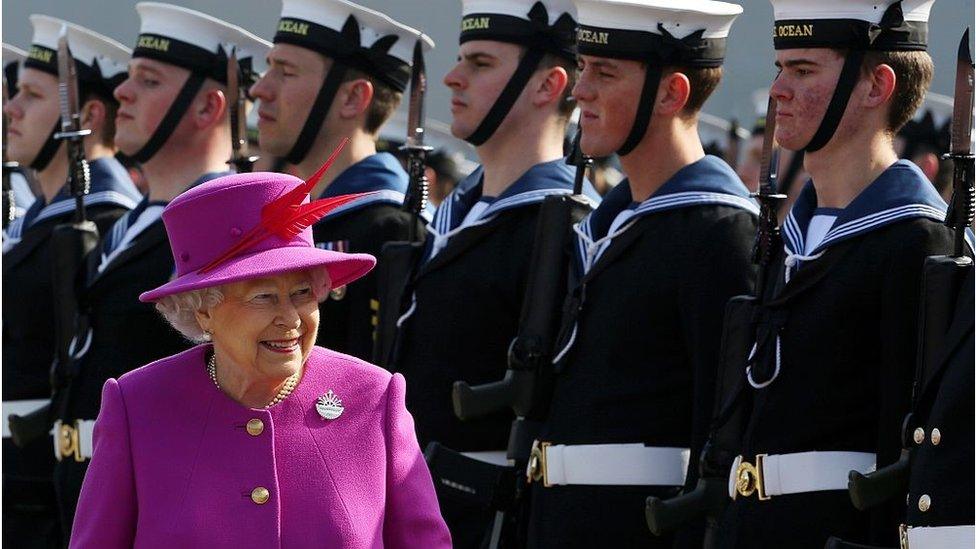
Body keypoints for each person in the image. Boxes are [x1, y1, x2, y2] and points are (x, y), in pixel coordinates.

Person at [69, 170, 452, 548]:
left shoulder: (373, 399)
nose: (290, 318)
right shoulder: (137, 406)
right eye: (263, 297)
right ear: (203, 310)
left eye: (302, 292)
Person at [717, 0, 964, 546]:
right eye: (781, 67)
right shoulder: (791, 237)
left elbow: (905, 447)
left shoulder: (914, 239)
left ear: (876, 87)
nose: (779, 89)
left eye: (803, 71)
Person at [526, 1, 758, 546]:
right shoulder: (606, 225)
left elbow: (717, 438)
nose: (581, 90)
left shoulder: (717, 230)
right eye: (583, 68)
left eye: (605, 73)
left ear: (671, 94)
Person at [378, 0, 598, 545]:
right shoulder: (456, 217)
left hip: (486, 518)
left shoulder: (565, 227)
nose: (453, 77)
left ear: (547, 85)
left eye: (479, 63)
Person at [51, 4, 270, 540]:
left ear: (205, 107)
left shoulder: (228, 231)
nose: (122, 92)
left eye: (147, 81)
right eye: (129, 78)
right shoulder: (128, 223)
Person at [2, 17, 140, 548]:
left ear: (86, 115)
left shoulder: (105, 220)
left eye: (32, 95)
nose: (11, 108)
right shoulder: (36, 220)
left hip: (46, 487)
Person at [250, 0, 431, 361]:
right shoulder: (292, 220)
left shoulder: (390, 228)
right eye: (269, 68)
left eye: (286, 72)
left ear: (352, 97)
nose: (260, 90)